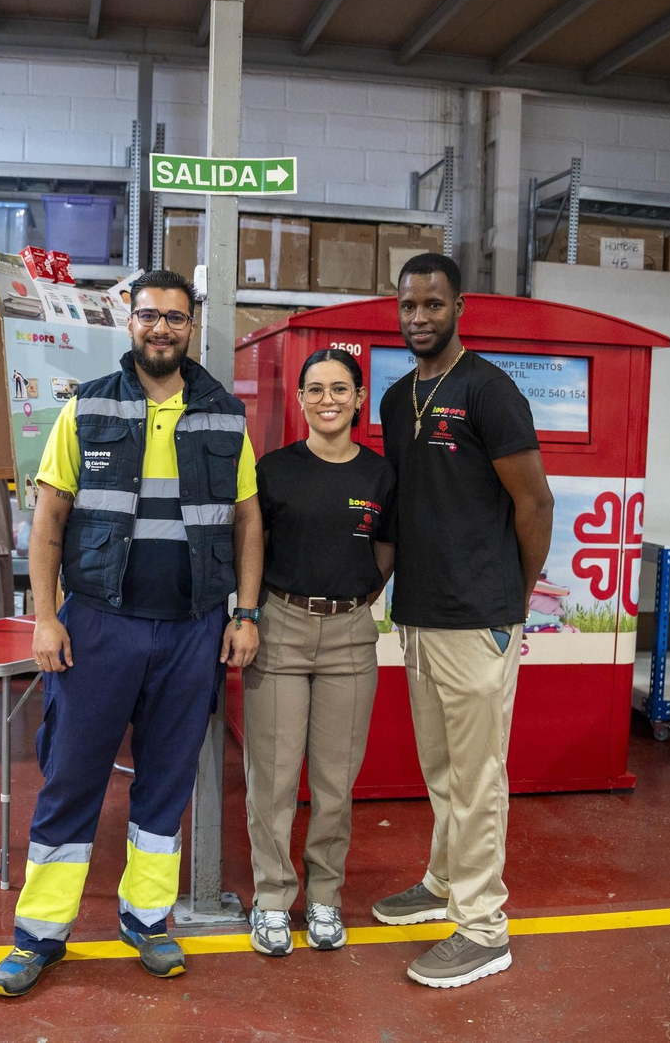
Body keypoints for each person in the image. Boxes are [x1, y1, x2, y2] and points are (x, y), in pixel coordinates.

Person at [0, 269, 264, 998]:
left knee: (166, 784)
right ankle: (39, 935)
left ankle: (148, 920)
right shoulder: (86, 411)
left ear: (190, 325)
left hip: (192, 631)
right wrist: (46, 618)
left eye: (175, 317)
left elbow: (247, 523)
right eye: (150, 316)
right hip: (98, 628)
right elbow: (47, 524)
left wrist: (245, 613)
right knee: (72, 778)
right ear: (130, 323)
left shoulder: (224, 415)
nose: (162, 328)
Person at [372, 252, 554, 989]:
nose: (419, 317)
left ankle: (483, 928)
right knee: (444, 769)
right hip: (417, 613)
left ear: (459, 308)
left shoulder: (490, 390)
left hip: (478, 615)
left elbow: (535, 504)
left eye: (433, 305)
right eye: (409, 305)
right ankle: (444, 881)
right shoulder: (392, 399)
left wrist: (512, 595)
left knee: (478, 778)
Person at [244, 348, 395, 957]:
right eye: (315, 389)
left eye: (340, 388)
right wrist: (247, 615)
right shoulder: (273, 468)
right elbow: (251, 544)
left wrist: (354, 599)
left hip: (351, 635)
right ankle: (273, 899)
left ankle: (325, 896)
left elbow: (385, 552)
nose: (327, 399)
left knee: (335, 783)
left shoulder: (381, 476)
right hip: (279, 627)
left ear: (360, 398)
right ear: (300, 398)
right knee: (274, 781)